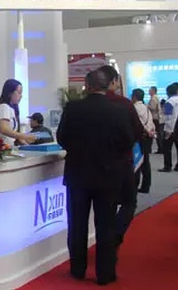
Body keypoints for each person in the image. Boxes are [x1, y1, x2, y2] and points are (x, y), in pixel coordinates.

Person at [57, 70, 135, 286]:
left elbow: (62, 137)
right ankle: (105, 273)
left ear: (87, 86)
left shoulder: (73, 109)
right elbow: (128, 140)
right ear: (107, 85)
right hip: (108, 176)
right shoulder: (118, 110)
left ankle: (78, 269)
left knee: (77, 224)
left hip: (77, 175)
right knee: (106, 226)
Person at [97, 65, 143, 253]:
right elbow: (137, 132)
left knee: (104, 207)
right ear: (114, 81)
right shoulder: (124, 104)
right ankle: (114, 236)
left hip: (95, 165)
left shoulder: (84, 105)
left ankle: (105, 239)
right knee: (129, 202)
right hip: (121, 162)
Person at [0, 79, 36, 146]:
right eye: (19, 93)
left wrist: (26, 143)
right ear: (10, 93)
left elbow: (14, 133)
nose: (21, 96)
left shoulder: (11, 109)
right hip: (3, 146)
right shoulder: (3, 107)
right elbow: (4, 129)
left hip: (9, 146)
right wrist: (24, 136)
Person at [131, 88, 154, 193]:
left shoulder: (134, 108)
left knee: (137, 161)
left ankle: (135, 185)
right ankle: (146, 186)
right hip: (148, 137)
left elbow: (136, 123)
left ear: (134, 97)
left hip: (139, 137)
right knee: (145, 162)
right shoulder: (146, 107)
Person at [160, 83, 178, 171]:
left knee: (167, 148)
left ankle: (167, 166)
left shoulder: (169, 102)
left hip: (171, 128)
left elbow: (168, 117)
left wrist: (168, 130)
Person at [147, 86, 162, 155]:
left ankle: (160, 148)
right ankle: (160, 148)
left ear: (153, 91)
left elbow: (153, 107)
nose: (149, 92)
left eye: (150, 90)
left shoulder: (153, 98)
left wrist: (147, 106)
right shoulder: (155, 97)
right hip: (155, 117)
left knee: (156, 133)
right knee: (157, 133)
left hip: (154, 117)